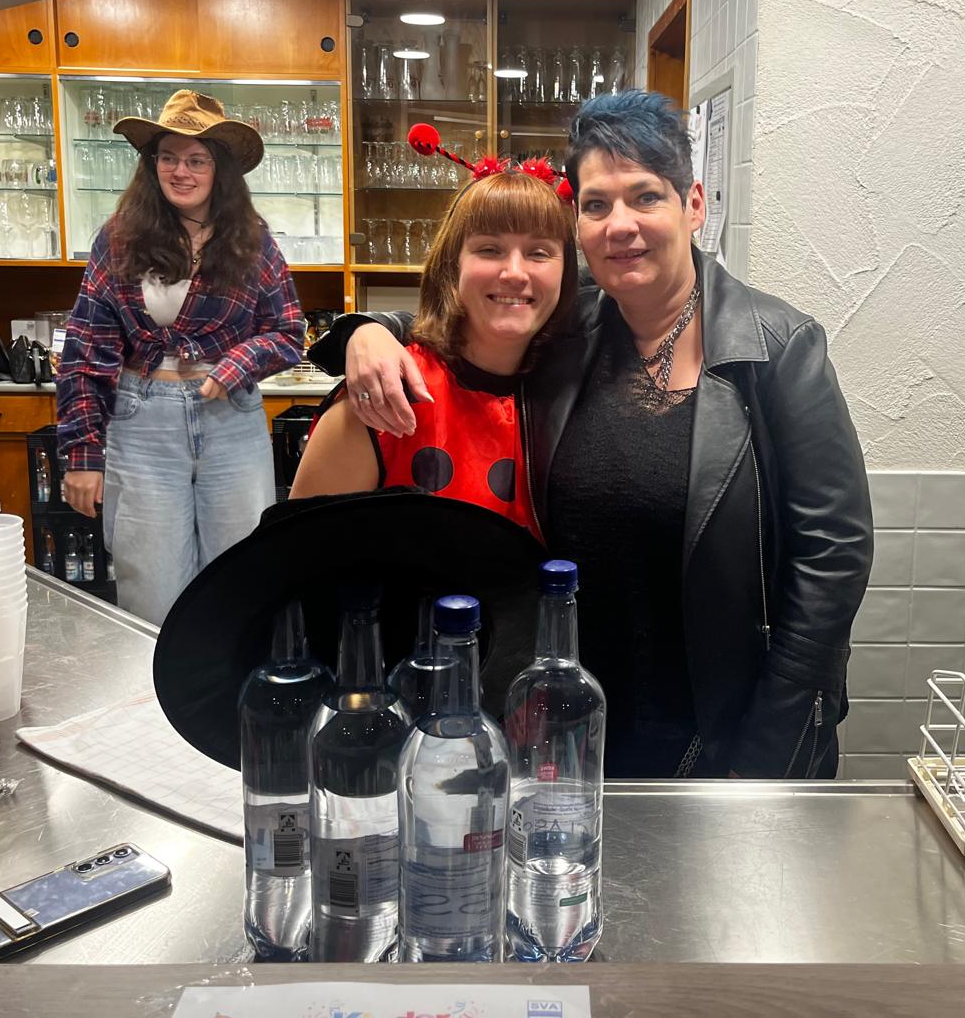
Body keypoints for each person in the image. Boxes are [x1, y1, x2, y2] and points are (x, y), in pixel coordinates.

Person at [313, 91, 873, 779]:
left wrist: (767, 750)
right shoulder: (570, 332)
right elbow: (477, 317)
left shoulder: (776, 348)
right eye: (597, 204)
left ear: (694, 204)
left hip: (730, 728)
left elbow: (834, 557)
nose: (621, 225)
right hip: (578, 727)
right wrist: (367, 332)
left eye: (646, 197)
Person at [57, 90, 306, 626]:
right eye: (168, 157)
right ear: (152, 165)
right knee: (152, 592)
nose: (181, 171)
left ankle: (233, 681)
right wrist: (82, 455)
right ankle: (155, 684)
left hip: (231, 423)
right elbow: (86, 349)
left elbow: (288, 332)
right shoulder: (119, 239)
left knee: (242, 582)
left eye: (197, 160)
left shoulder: (252, 241)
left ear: (220, 171)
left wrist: (237, 364)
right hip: (141, 424)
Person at [290, 167, 577, 543]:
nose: (514, 273)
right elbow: (297, 559)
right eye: (489, 249)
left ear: (566, 272)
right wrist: (361, 330)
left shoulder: (570, 394)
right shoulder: (383, 394)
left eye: (539, 253)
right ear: (452, 265)